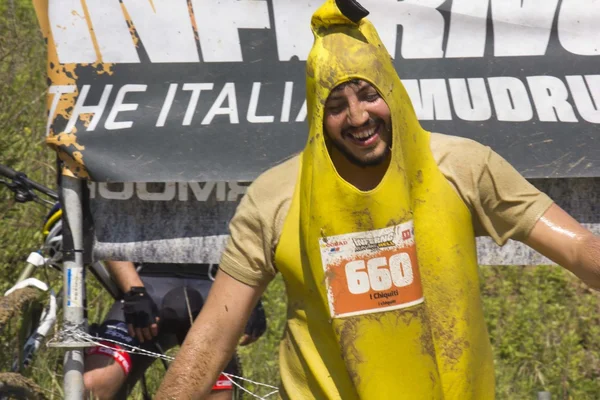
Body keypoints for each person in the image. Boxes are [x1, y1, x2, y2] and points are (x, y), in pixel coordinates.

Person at [154, 0, 600, 398]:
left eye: (369, 95)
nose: (358, 116)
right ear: (316, 115)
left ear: (393, 94)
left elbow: (578, 248)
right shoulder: (276, 198)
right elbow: (213, 334)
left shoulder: (460, 167)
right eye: (336, 105)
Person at [84, 260, 267, 399]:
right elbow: (111, 231)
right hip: (145, 285)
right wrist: (134, 291)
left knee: (215, 392)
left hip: (215, 284)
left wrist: (253, 299)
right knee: (94, 384)